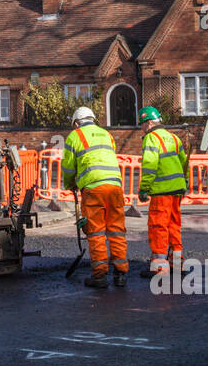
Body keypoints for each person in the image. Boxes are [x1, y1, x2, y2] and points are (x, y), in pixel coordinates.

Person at [61, 106, 128, 289]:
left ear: (76, 123)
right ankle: (120, 272)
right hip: (114, 186)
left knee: (96, 231)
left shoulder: (75, 136)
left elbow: (68, 166)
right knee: (116, 230)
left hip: (93, 188)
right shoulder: (106, 134)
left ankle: (99, 275)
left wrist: (70, 184)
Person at [137, 106, 190, 278]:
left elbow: (150, 166)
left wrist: (144, 188)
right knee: (174, 226)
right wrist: (185, 181)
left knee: (158, 226)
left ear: (149, 122)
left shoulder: (151, 138)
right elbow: (184, 162)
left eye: (143, 124)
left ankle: (160, 267)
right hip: (177, 190)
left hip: (161, 192)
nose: (142, 128)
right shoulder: (173, 138)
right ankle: (177, 263)